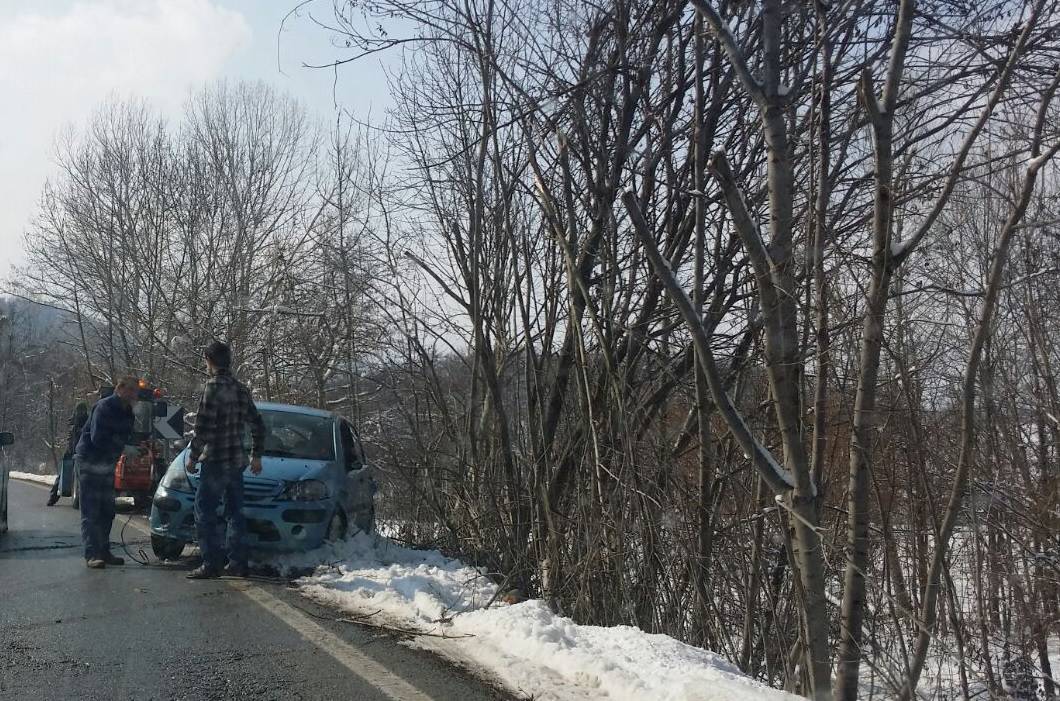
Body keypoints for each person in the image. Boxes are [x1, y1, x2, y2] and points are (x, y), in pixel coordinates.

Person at [185, 340, 265, 579]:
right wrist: (257, 455)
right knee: (235, 512)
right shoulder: (241, 389)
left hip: (216, 461)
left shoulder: (213, 387)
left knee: (204, 511)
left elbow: (204, 428)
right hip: (236, 461)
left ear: (209, 361)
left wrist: (193, 456)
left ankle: (211, 563)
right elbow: (258, 424)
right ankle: (238, 562)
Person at [74, 378, 138, 569]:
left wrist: (135, 447)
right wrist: (124, 448)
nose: (135, 394)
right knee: (92, 510)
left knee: (107, 510)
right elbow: (98, 438)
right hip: (89, 461)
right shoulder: (105, 407)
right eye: (131, 390)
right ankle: (92, 554)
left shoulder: (128, 413)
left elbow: (126, 436)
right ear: (119, 389)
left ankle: (104, 550)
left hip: (107, 463)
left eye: (136, 391)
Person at [47, 401, 90, 506]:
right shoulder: (84, 421)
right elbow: (73, 438)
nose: (81, 412)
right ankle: (53, 496)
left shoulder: (78, 421)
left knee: (64, 474)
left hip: (78, 450)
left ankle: (53, 497)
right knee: (64, 474)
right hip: (77, 450)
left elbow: (72, 437)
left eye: (82, 410)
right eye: (80, 410)